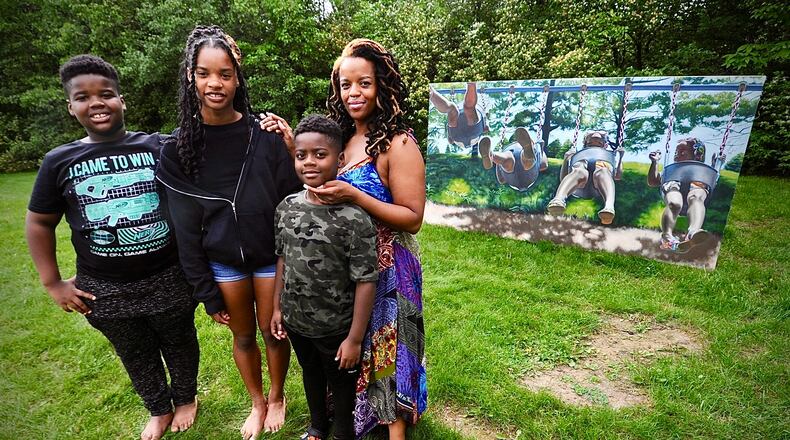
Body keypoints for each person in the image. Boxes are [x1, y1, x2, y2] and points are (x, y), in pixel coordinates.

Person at [25, 54, 199, 440]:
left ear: (122, 100)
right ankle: (158, 408)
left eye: (106, 94)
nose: (97, 102)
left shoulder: (157, 146)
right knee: (134, 351)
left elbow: (200, 158)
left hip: (168, 276)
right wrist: (52, 283)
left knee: (180, 340)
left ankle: (186, 398)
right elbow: (39, 222)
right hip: (104, 287)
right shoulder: (60, 161)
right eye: (83, 97)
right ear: (71, 107)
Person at [263, 38, 427, 440]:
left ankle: (395, 430)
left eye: (364, 83)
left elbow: (413, 218)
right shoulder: (346, 138)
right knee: (353, 350)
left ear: (382, 87)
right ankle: (352, 420)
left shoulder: (398, 143)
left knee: (388, 352)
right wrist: (291, 146)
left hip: (388, 267)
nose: (354, 93)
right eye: (345, 84)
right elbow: (319, 178)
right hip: (345, 267)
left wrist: (357, 195)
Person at [155, 25, 301, 440]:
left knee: (275, 331)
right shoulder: (179, 149)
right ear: (191, 77)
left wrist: (291, 148)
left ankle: (276, 396)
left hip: (271, 256)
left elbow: (291, 203)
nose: (215, 83)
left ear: (238, 78)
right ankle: (256, 403)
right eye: (204, 73)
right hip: (224, 264)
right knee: (242, 336)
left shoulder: (264, 135)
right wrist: (204, 289)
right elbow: (183, 229)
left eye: (224, 74)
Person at [270, 115, 378, 440]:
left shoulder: (354, 218)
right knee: (310, 374)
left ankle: (343, 431)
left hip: (336, 328)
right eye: (301, 155)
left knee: (341, 384)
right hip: (296, 321)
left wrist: (355, 339)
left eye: (320, 154)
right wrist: (277, 309)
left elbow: (366, 279)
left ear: (340, 159)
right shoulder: (286, 208)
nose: (309, 162)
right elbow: (282, 260)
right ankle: (318, 426)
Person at [647, 137, 724, 253]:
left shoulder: (702, 172)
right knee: (674, 203)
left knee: (696, 197)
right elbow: (653, 182)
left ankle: (693, 232)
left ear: (697, 155)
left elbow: (712, 179)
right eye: (676, 152)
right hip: (673, 185)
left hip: (696, 188)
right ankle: (667, 235)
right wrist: (655, 162)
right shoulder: (670, 170)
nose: (677, 155)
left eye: (683, 152)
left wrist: (716, 165)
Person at [546, 130, 625, 224]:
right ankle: (558, 200)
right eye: (590, 143)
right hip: (580, 182)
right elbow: (564, 179)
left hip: (600, 184)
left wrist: (620, 158)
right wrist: (566, 160)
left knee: (603, 170)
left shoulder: (609, 158)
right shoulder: (580, 156)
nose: (594, 145)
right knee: (579, 169)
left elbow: (618, 176)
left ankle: (609, 207)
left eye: (599, 143)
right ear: (585, 144)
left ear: (605, 145)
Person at [478, 126, 548, 191]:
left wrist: (498, 164)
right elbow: (544, 165)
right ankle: (527, 156)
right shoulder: (537, 146)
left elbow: (501, 180)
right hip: (525, 176)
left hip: (511, 154)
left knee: (506, 159)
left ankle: (492, 155)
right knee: (524, 163)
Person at [429, 82, 487, 157]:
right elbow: (450, 140)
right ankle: (432, 94)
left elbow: (486, 129)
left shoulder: (480, 112)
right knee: (452, 109)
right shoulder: (455, 140)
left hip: (473, 134)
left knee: (467, 108)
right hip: (457, 136)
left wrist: (485, 126)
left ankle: (472, 84)